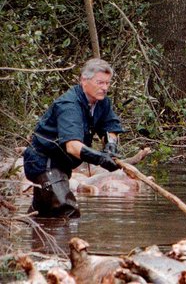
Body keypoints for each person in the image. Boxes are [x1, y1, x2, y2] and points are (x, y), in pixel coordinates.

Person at [22, 58, 124, 218]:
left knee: (42, 213)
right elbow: (73, 147)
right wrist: (101, 159)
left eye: (107, 83)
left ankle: (34, 238)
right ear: (84, 80)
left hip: (61, 165)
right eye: (100, 83)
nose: (104, 88)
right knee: (67, 211)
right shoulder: (69, 105)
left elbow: (110, 127)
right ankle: (70, 243)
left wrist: (110, 145)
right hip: (43, 163)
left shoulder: (101, 103)